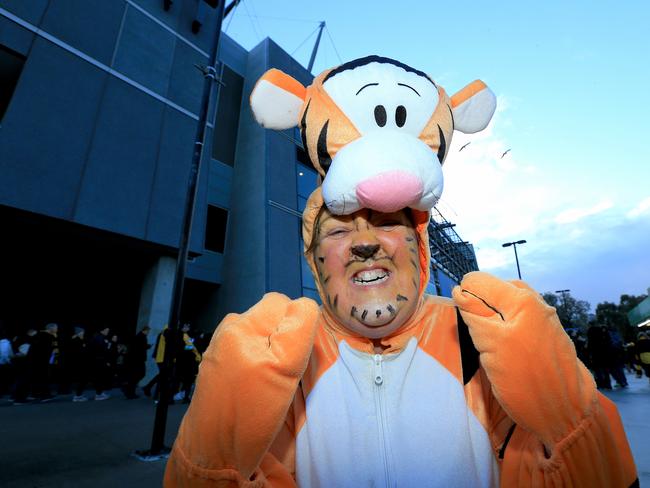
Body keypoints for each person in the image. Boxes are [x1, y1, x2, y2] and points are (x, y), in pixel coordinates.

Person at [164, 56, 637, 486]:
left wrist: (572, 423)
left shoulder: (481, 348)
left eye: (388, 223)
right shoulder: (285, 369)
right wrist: (208, 464)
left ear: (420, 246)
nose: (365, 243)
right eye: (338, 232)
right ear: (312, 258)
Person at [123, 325, 151, 399]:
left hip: (137, 359)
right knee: (138, 374)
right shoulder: (141, 337)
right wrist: (148, 346)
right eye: (148, 331)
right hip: (138, 360)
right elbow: (140, 347)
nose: (148, 332)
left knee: (136, 375)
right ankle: (129, 390)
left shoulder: (139, 336)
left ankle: (130, 390)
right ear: (144, 330)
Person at [67, 327, 89, 402]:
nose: (83, 333)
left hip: (79, 363)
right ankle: (78, 396)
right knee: (82, 380)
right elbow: (80, 352)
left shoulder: (77, 340)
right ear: (79, 332)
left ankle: (79, 395)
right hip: (79, 364)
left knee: (82, 380)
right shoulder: (76, 341)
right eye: (82, 332)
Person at [90, 327, 112, 401]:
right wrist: (107, 345)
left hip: (99, 360)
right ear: (102, 330)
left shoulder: (100, 337)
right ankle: (98, 394)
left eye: (108, 331)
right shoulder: (98, 337)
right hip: (99, 360)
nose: (108, 332)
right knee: (99, 377)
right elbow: (102, 349)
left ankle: (99, 393)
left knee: (100, 377)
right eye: (107, 330)